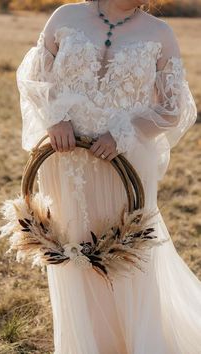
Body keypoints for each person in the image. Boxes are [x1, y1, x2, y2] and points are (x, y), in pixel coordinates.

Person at [15, 0, 201, 353]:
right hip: (65, 161)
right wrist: (54, 118)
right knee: (75, 253)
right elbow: (34, 77)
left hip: (125, 164)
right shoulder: (65, 16)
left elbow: (174, 108)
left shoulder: (160, 33)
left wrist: (124, 133)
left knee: (127, 259)